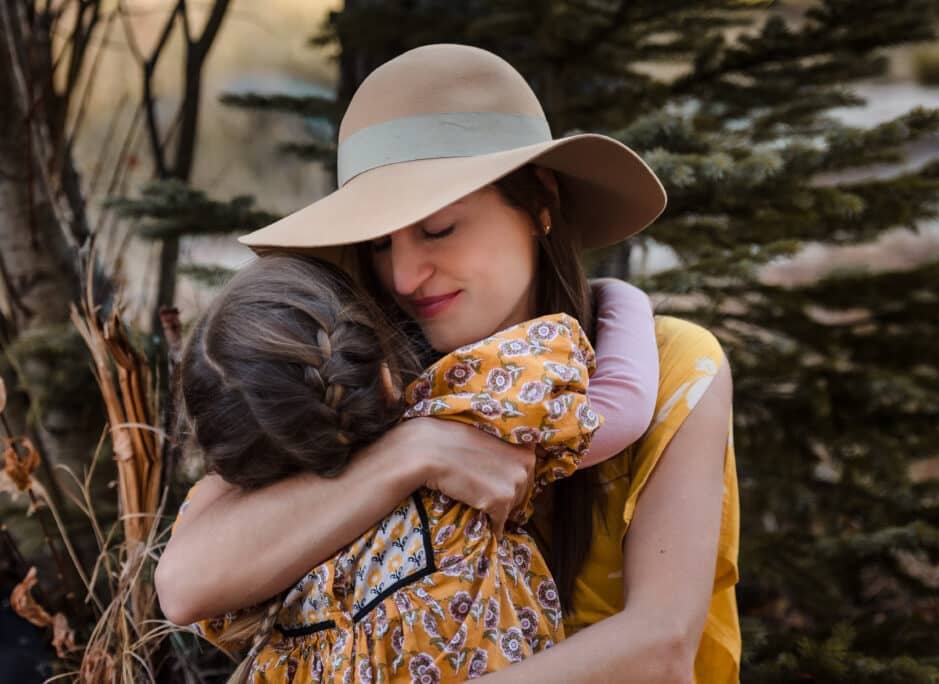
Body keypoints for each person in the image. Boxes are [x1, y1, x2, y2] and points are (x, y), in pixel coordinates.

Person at [157, 43, 739, 683]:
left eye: (437, 230)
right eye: (380, 244)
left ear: (540, 200)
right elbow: (185, 585)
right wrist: (413, 453)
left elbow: (661, 648)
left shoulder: (672, 366)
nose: (406, 276)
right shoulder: (363, 377)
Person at [174, 253, 660, 681]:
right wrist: (619, 297)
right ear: (382, 377)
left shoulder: (259, 545)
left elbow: (183, 588)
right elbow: (621, 410)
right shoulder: (468, 408)